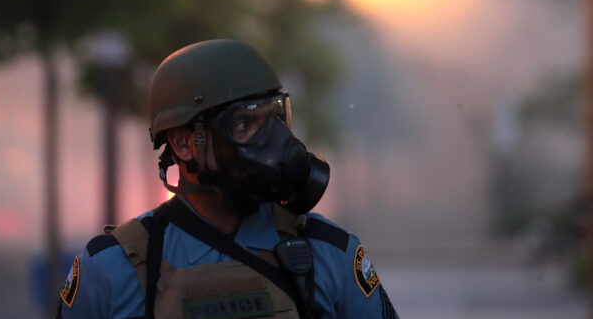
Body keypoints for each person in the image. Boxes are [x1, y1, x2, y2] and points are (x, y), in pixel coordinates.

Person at [56, 39, 399, 319]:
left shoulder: (329, 254)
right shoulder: (111, 270)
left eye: (275, 118)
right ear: (184, 143)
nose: (275, 142)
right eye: (244, 124)